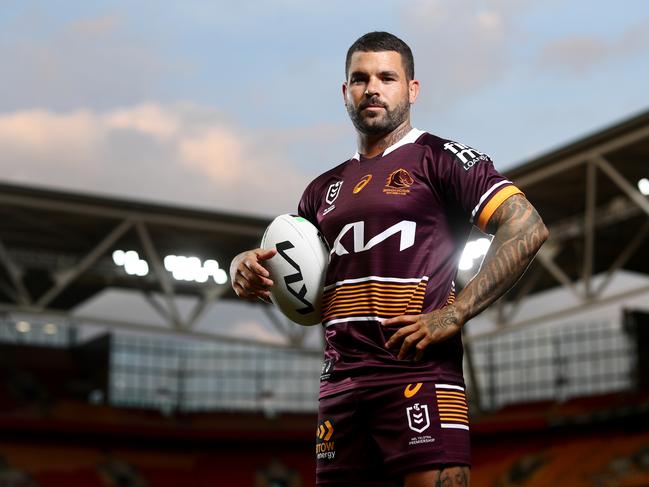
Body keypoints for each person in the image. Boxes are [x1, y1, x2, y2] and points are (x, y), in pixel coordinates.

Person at [230, 32, 548, 487]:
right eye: (359, 79)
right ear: (345, 92)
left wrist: (456, 312)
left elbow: (527, 226)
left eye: (387, 77)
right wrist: (244, 266)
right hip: (339, 386)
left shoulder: (441, 159)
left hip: (418, 375)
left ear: (412, 89)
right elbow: (290, 270)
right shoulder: (322, 190)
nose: (372, 88)